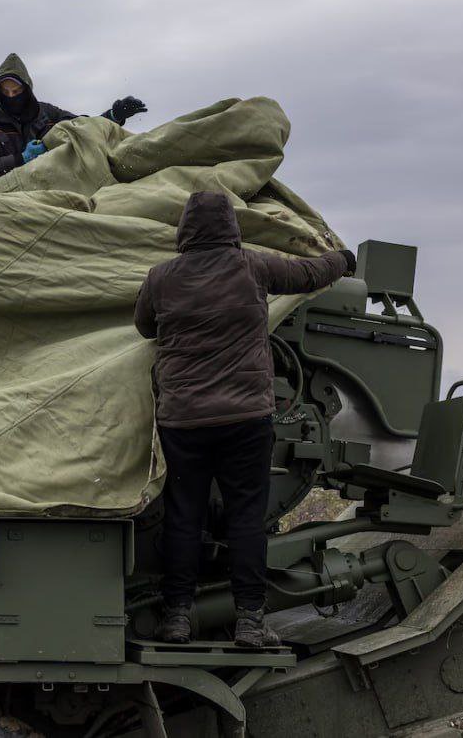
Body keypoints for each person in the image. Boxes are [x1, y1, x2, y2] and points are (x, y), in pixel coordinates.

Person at [133, 191, 355, 648]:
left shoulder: (161, 278)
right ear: (231, 229)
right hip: (245, 418)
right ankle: (250, 622)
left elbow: (144, 326)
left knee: (183, 517)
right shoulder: (253, 267)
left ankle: (176, 617)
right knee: (246, 520)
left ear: (185, 231)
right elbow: (310, 274)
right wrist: (344, 259)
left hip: (184, 420)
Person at [0, 52, 147, 182]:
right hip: (6, 197)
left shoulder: (48, 114)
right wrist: (22, 158)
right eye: (6, 92)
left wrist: (114, 116)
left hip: (53, 190)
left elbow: (83, 130)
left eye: (17, 91)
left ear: (27, 90)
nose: (11, 96)